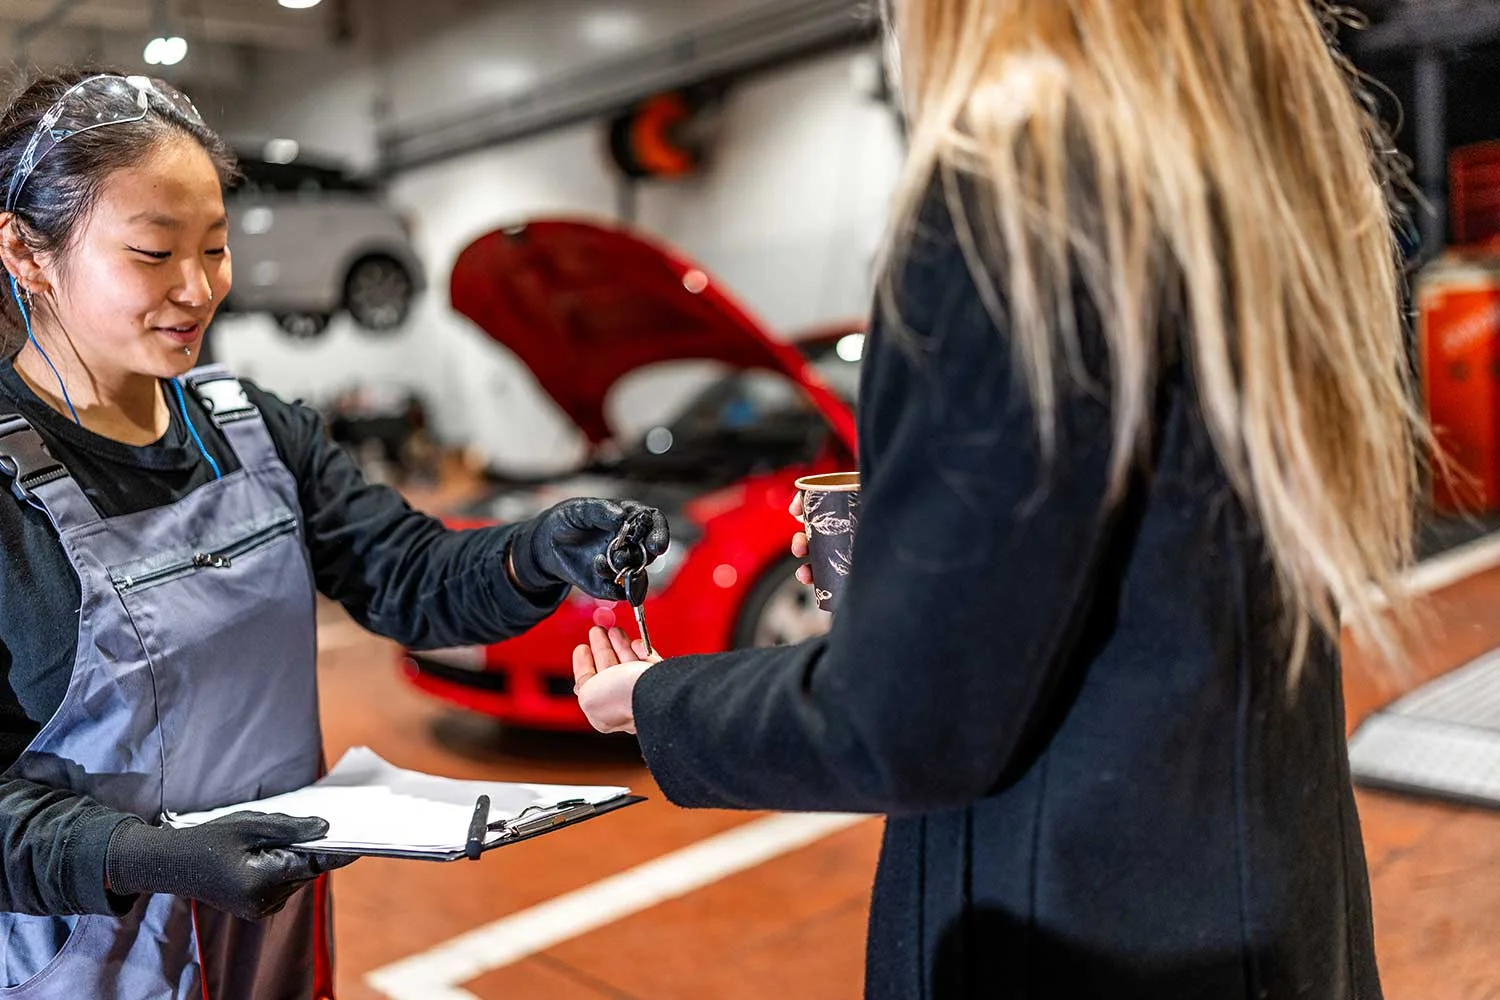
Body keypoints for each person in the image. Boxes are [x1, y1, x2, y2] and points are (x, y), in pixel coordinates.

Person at [572, 2, 1420, 998]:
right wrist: (918, 568)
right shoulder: (1276, 201)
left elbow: (902, 723)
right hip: (1264, 907)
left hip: (1077, 932)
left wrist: (659, 699)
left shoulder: (1012, 207)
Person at [0, 69, 667, 999]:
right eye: (153, 253)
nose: (198, 290)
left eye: (216, 248)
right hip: (92, 963)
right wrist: (159, 859)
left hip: (271, 941)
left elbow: (407, 574)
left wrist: (532, 551)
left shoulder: (250, 427)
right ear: (26, 252)